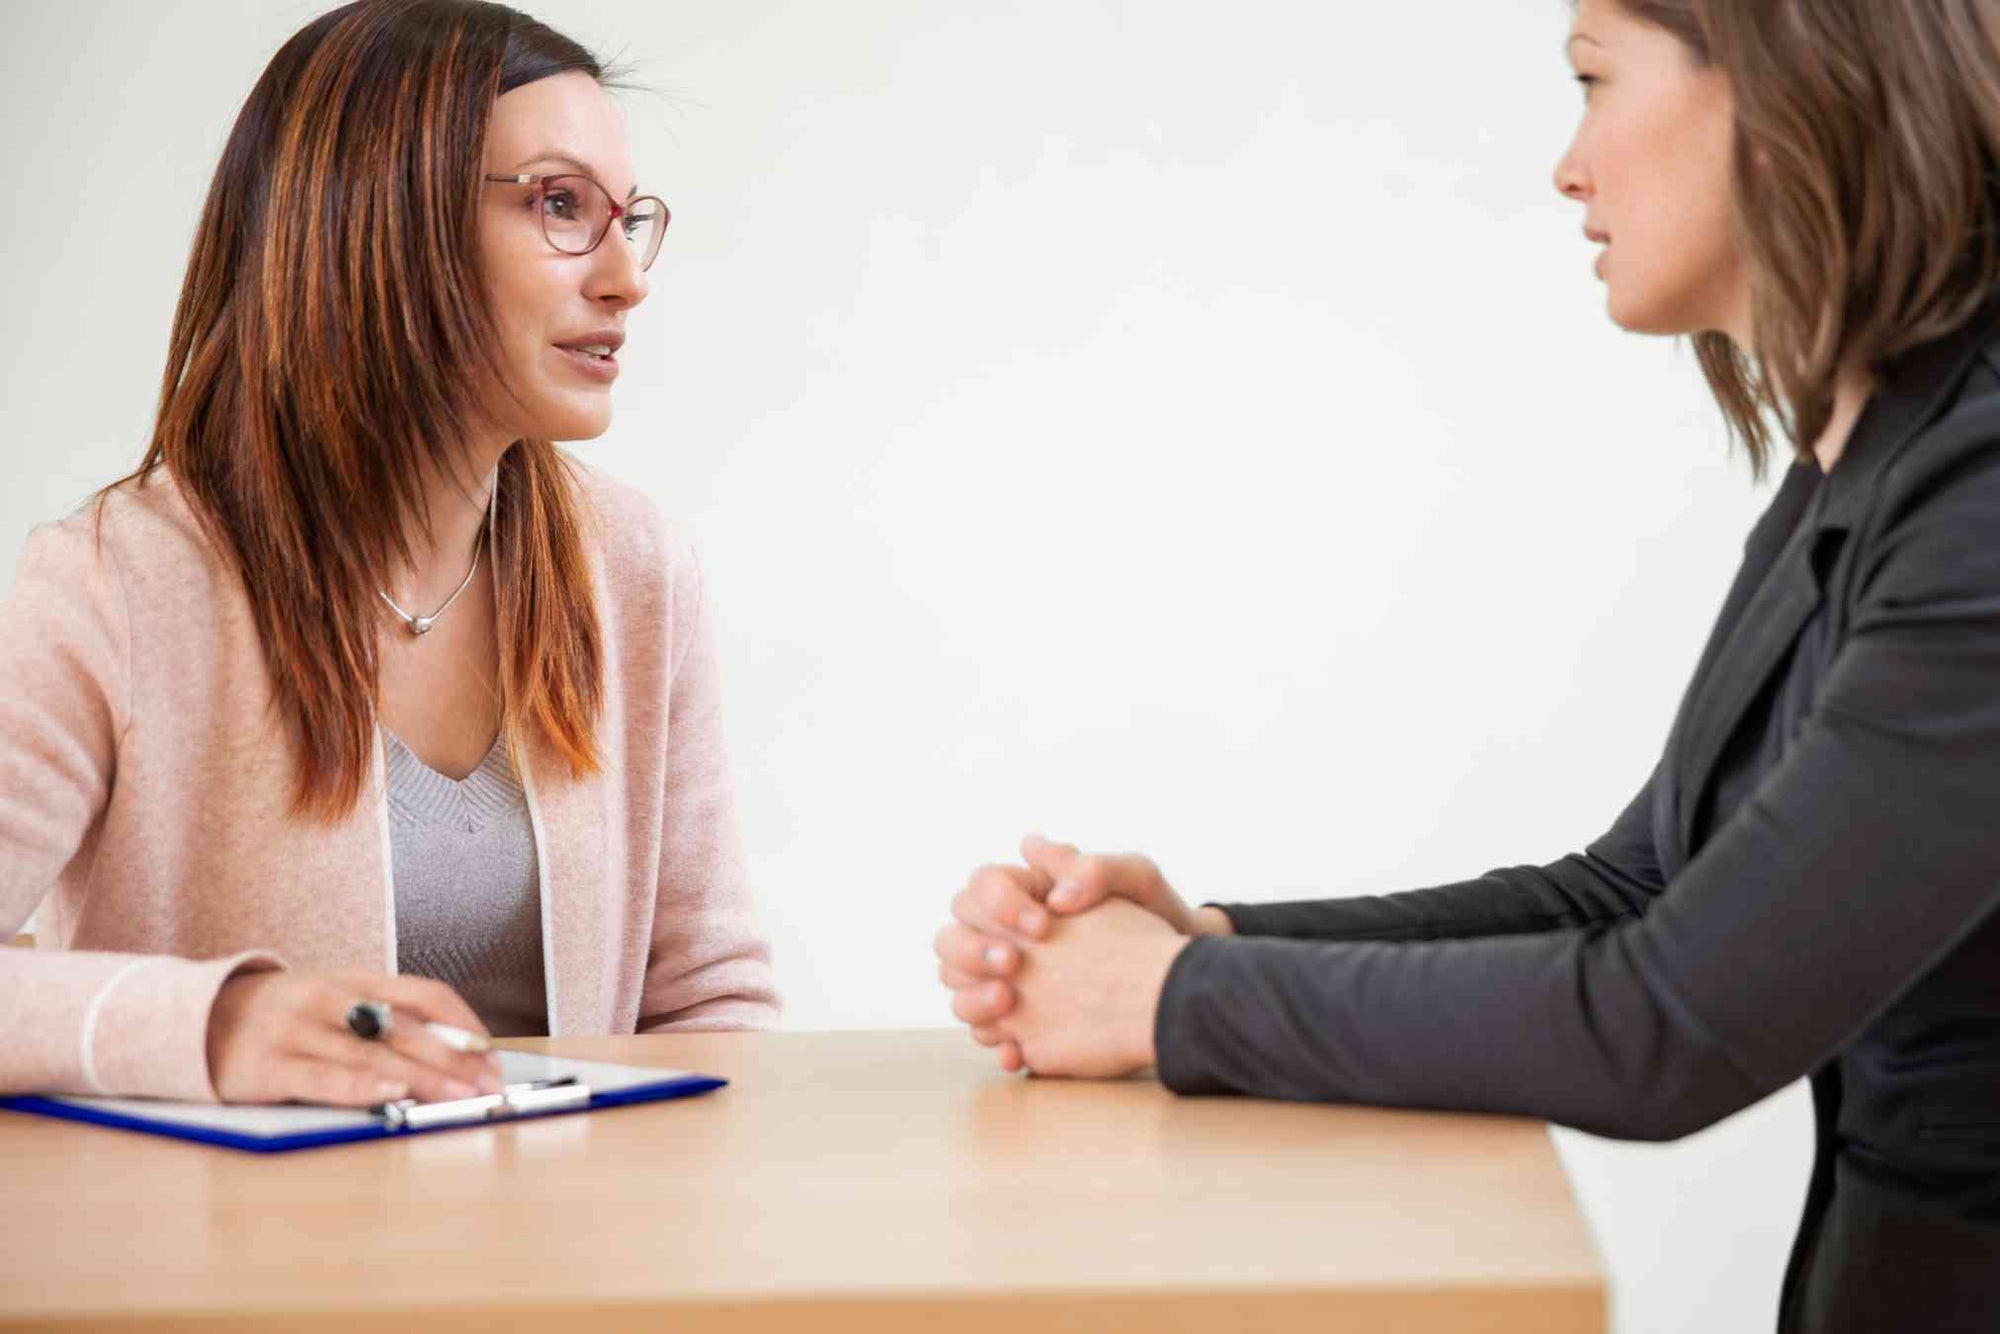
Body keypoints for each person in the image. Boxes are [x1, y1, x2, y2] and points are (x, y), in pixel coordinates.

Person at [933, 1, 2000, 1328]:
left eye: (1594, 81)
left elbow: (1670, 1022)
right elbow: (1637, 888)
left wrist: (1167, 1000)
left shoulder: (1979, 490)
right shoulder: (1872, 457)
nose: (1570, 164)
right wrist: (1210, 939)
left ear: (1788, 83)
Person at [0, 0, 776, 1111]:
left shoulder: (636, 568)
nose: (625, 278)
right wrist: (213, 1025)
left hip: (577, 1259)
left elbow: (710, 1000)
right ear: (381, 219)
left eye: (626, 218)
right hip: (237, 1267)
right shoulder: (118, 583)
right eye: (560, 205)